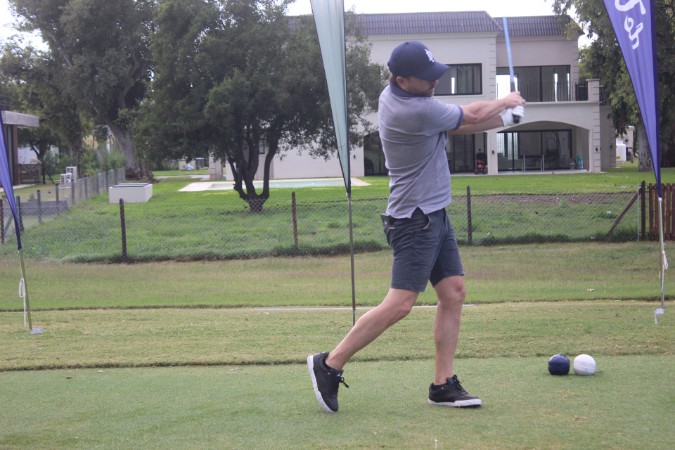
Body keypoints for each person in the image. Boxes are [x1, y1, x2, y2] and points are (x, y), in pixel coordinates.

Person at [308, 40, 525, 413]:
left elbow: (457, 124)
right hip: (414, 220)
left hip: (434, 213)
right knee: (401, 303)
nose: (434, 82)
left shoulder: (403, 96)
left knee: (453, 292)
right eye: (426, 78)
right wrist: (506, 102)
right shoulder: (412, 110)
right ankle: (329, 363)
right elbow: (472, 115)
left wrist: (508, 119)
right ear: (403, 81)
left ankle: (442, 385)